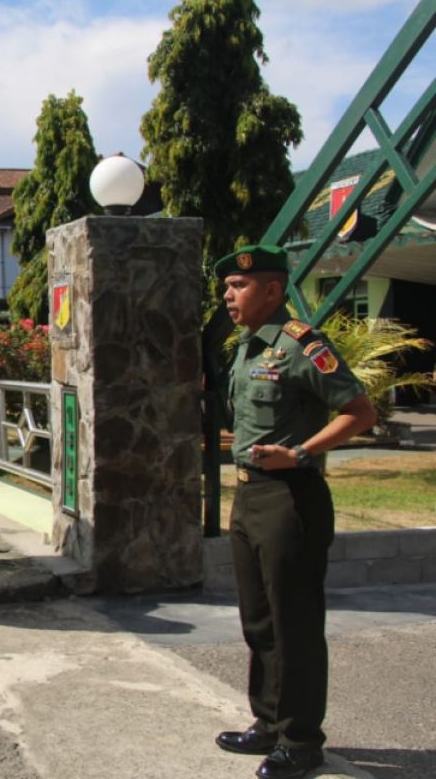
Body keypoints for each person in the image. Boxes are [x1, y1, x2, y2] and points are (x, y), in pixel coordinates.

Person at [213, 245, 375, 779]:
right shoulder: (246, 348)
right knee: (258, 620)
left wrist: (302, 453)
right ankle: (268, 724)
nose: (227, 295)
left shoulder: (302, 346)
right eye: (227, 288)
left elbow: (359, 411)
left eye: (238, 286)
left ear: (273, 290)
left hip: (291, 499)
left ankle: (302, 740)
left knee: (294, 623)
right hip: (249, 496)